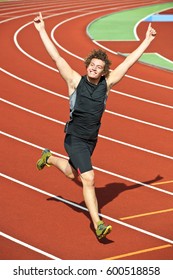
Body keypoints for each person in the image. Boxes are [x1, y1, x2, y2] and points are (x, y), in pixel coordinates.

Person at [34, 12, 156, 240]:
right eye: (92, 64)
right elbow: (57, 58)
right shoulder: (74, 81)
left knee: (73, 173)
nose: (93, 68)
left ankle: (49, 158)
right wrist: (42, 30)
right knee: (88, 178)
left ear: (104, 71)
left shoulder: (107, 86)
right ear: (87, 65)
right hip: (74, 138)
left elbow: (128, 63)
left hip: (91, 141)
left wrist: (147, 41)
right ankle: (98, 224)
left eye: (99, 66)